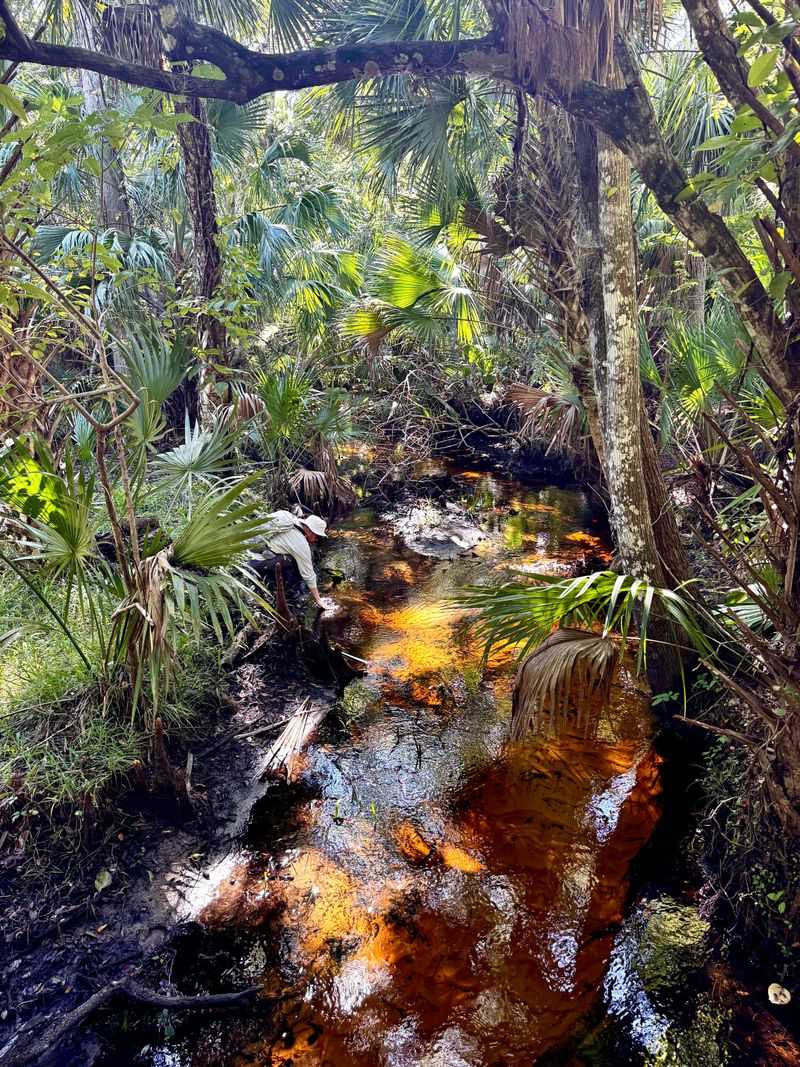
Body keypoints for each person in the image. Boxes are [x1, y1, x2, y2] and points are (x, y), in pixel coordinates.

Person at [252, 509, 330, 609]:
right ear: (311, 532)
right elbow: (308, 574)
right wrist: (318, 600)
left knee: (288, 559)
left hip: (251, 554)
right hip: (255, 563)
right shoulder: (300, 542)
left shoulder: (292, 522)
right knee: (288, 561)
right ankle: (287, 596)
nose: (316, 540)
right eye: (317, 537)